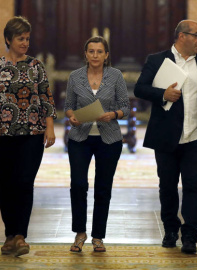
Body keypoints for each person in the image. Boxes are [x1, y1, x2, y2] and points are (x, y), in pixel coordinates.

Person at [134, 20, 197, 254]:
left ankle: (190, 236)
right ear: (181, 36)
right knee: (167, 187)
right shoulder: (157, 60)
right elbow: (140, 88)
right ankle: (170, 230)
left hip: (196, 136)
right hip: (166, 137)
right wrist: (162, 94)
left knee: (193, 187)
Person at [0, 16, 57, 257]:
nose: (25, 43)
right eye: (20, 38)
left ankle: (21, 235)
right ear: (8, 39)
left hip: (31, 134)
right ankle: (10, 236)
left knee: (24, 182)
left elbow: (46, 97)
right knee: (6, 185)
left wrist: (50, 127)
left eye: (27, 38)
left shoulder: (36, 66)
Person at [65, 36, 130, 252]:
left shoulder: (116, 76)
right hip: (79, 138)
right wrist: (71, 116)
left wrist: (112, 114)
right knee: (78, 185)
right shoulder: (75, 76)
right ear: (85, 54)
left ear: (106, 55)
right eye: (91, 51)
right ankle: (79, 233)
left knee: (103, 188)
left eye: (99, 51)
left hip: (109, 139)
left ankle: (98, 237)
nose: (95, 55)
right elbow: (68, 106)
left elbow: (125, 108)